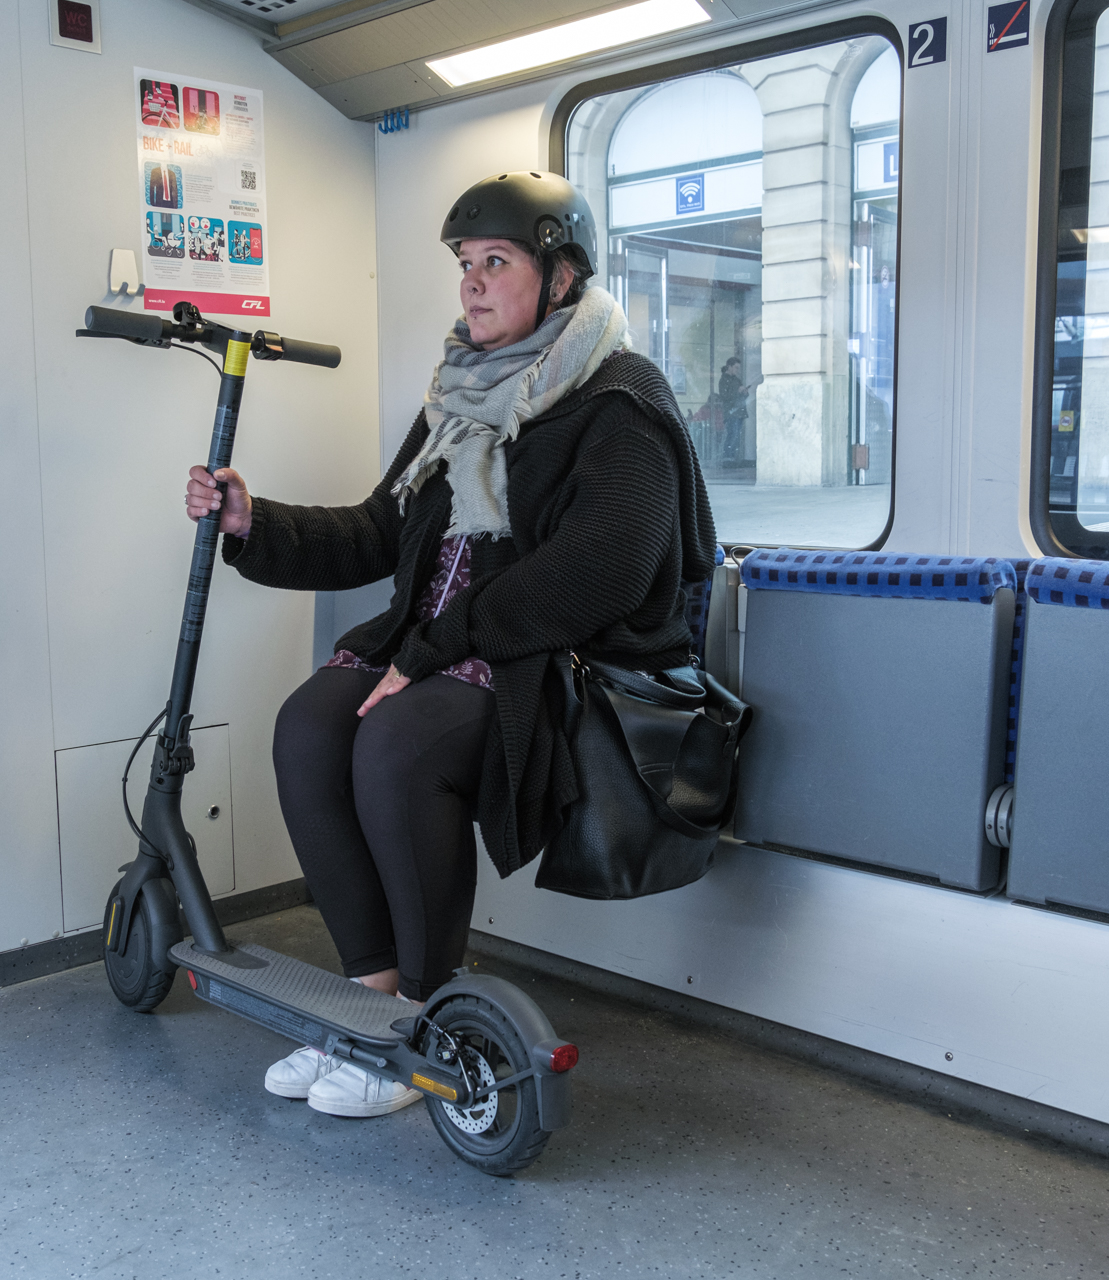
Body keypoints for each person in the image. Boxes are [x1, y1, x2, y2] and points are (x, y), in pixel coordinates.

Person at [183, 172, 717, 1118]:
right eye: (465, 266)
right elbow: (377, 533)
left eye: (496, 263)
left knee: (394, 745)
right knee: (310, 728)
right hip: (438, 646)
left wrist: (432, 652)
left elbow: (600, 574)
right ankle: (368, 998)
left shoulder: (620, 399)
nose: (471, 284)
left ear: (561, 279)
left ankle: (425, 1024)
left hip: (548, 664)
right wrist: (252, 520)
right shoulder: (458, 395)